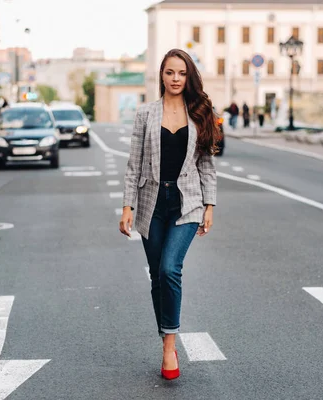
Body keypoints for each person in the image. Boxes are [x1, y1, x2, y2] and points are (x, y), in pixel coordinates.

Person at [119, 48, 219, 381]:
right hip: (151, 202)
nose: (175, 79)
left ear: (189, 77)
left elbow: (206, 163)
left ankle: (168, 347)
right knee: (157, 276)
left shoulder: (200, 113)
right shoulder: (146, 113)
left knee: (170, 269)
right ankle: (167, 332)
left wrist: (210, 205)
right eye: (169, 73)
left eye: (181, 73)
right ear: (161, 75)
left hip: (187, 202)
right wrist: (127, 206)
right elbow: (134, 164)